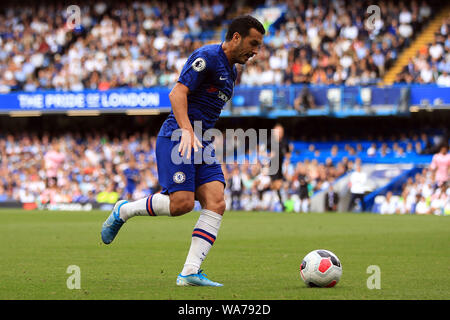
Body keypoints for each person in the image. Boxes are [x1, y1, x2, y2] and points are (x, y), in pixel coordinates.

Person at [101, 15, 265, 287]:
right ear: (236, 37)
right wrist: (188, 130)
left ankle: (189, 272)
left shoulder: (232, 72)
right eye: (253, 43)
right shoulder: (207, 57)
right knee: (182, 205)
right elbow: (177, 94)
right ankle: (124, 210)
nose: (256, 51)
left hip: (202, 141)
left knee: (216, 201)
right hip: (178, 135)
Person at [269, 123, 292, 211]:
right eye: (277, 131)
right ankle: (279, 204)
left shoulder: (284, 143)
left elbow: (288, 154)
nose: (279, 133)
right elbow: (260, 150)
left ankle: (279, 204)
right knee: (276, 185)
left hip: (280, 168)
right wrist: (268, 155)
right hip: (272, 167)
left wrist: (287, 161)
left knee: (278, 186)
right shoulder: (270, 142)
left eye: (281, 131)